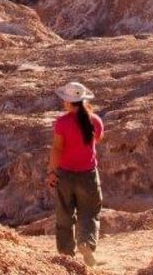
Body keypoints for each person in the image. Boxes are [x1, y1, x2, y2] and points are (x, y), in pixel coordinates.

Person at [47, 82, 104, 267]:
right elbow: (97, 139)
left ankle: (66, 256)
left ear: (69, 102)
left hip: (65, 176)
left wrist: (51, 172)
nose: (63, 102)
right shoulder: (95, 120)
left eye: (65, 99)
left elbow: (57, 149)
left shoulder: (62, 123)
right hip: (88, 175)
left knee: (64, 215)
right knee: (89, 212)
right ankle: (86, 242)